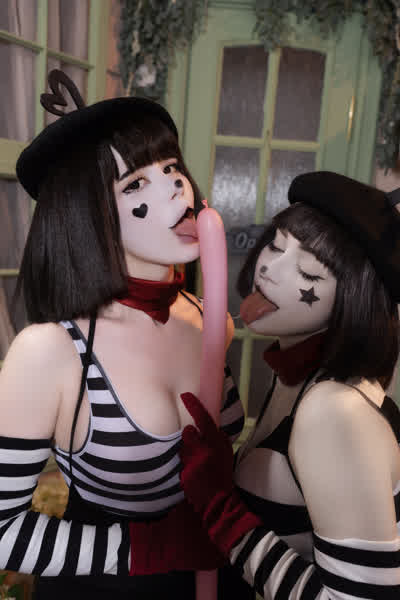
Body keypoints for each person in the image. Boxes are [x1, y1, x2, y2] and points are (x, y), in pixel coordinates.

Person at [0, 69, 244, 599]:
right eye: (135, 184)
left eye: (171, 168)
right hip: (104, 586)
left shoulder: (211, 319)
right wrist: (152, 549)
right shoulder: (50, 352)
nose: (176, 187)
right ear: (88, 215)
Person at [179, 171, 400, 599]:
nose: (269, 269)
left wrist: (221, 512)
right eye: (277, 246)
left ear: (352, 301)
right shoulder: (295, 376)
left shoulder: (334, 410)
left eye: (309, 273)